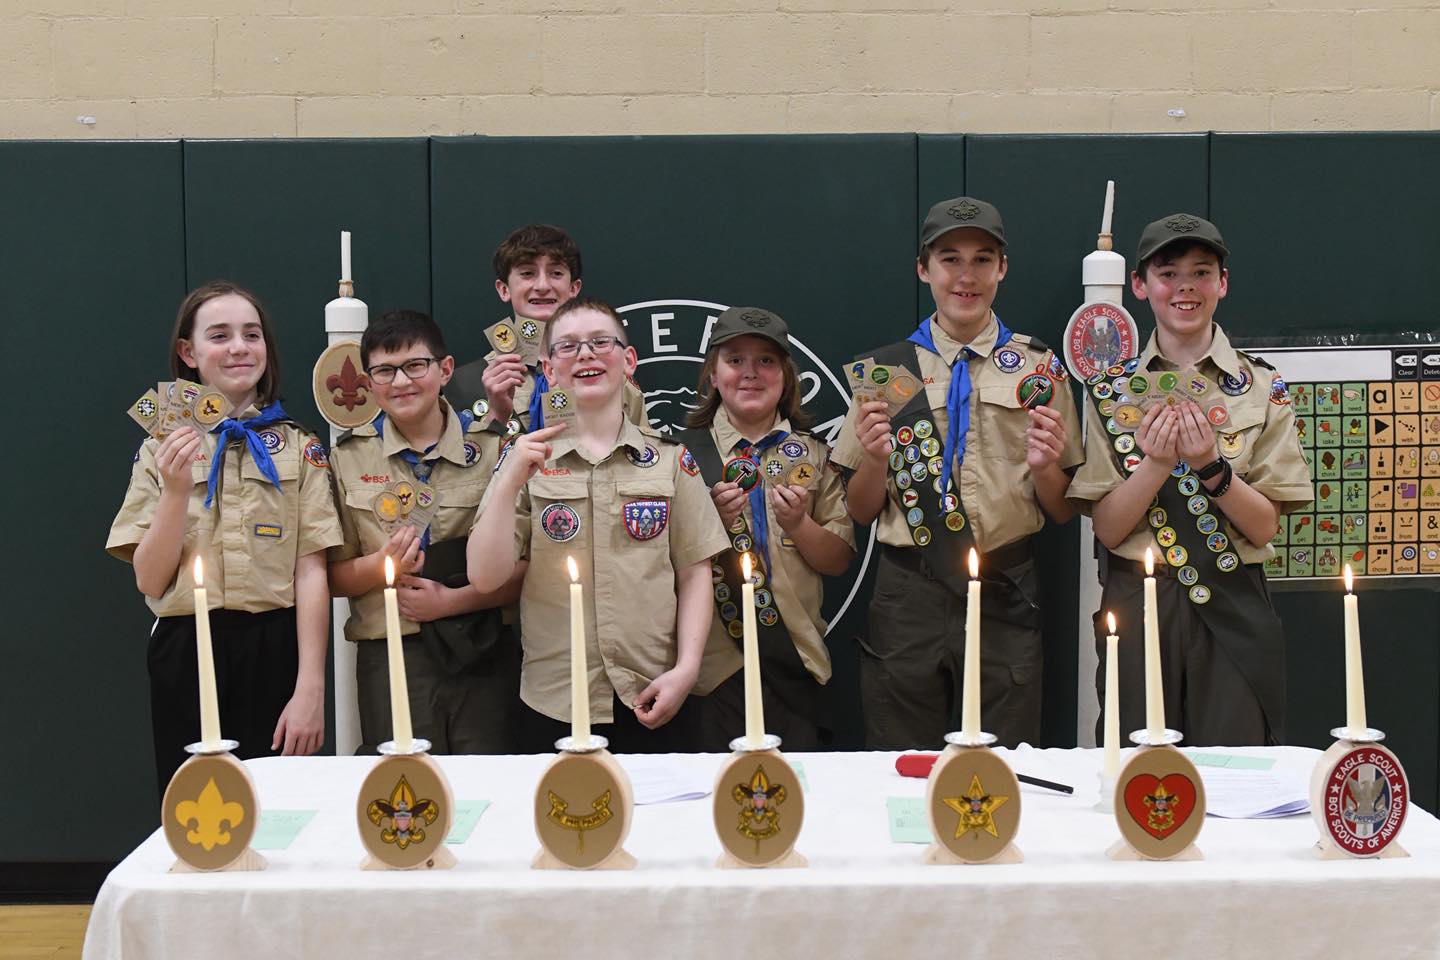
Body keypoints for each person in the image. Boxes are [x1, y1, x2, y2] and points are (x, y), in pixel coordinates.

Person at [832, 196, 1083, 749]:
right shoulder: (886, 371)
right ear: (924, 269)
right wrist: (874, 459)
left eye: (982, 260)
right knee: (902, 759)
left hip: (1005, 584)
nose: (966, 276)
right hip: (910, 592)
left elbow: (1064, 509)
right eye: (950, 259)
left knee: (1003, 761)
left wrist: (1045, 468)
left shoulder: (1041, 369)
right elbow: (860, 510)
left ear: (1002, 268)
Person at [1067, 213, 1312, 745]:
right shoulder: (1110, 390)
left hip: (1232, 595)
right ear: (1140, 285)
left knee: (1234, 768)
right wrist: (1156, 465)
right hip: (1140, 596)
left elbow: (1265, 526)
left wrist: (1210, 466)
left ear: (1223, 283)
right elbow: (1108, 528)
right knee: (1140, 765)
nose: (1185, 287)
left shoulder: (1262, 385)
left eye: (1202, 272)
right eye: (1168, 273)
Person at [107, 281, 342, 796]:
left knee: (279, 808)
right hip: (188, 650)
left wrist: (311, 687)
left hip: (273, 647)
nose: (239, 347)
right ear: (188, 352)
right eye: (220, 336)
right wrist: (175, 490)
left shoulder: (300, 447)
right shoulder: (160, 449)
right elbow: (149, 579)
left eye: (251, 335)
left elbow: (311, 573)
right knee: (199, 811)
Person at [467, 297, 729, 752]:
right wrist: (509, 481)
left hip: (654, 691)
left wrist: (687, 669)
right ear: (549, 370)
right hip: (555, 699)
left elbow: (694, 572)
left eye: (600, 342)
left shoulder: (669, 460)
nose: (585, 354)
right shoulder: (524, 460)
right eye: (568, 346)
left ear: (629, 361)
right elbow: (485, 578)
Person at [328, 309, 523, 754]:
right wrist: (383, 566)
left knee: (487, 783)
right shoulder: (348, 458)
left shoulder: (493, 449)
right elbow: (331, 577)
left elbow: (526, 567)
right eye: (385, 371)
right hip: (392, 654)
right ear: (369, 382)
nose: (401, 382)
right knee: (404, 788)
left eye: (415, 365)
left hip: (481, 648)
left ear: (445, 369)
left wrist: (453, 601)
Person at [673, 306, 855, 751]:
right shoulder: (679, 456)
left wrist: (799, 523)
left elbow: (837, 560)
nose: (750, 372)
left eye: (766, 360)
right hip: (711, 672)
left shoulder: (815, 456)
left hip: (796, 664)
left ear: (786, 376)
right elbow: (654, 563)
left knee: (796, 786)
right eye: (735, 360)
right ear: (713, 374)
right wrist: (710, 524)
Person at [445, 223, 646, 432]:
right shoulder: (467, 384)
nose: (542, 286)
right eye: (527, 273)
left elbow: (644, 450)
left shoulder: (608, 374)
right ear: (504, 289)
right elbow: (461, 453)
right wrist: (496, 416)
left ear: (573, 288)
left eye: (556, 273)